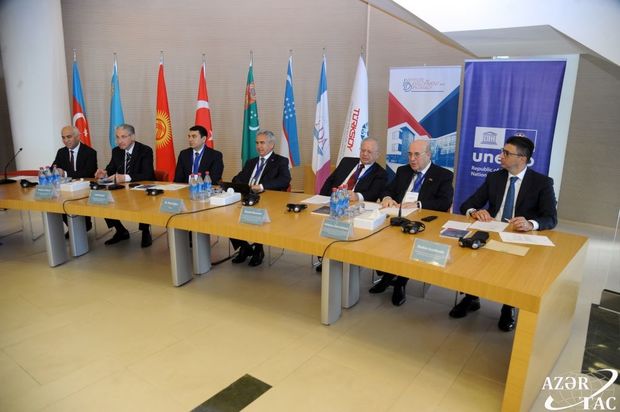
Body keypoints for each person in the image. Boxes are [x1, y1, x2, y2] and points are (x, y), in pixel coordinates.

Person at [452, 135, 557, 332]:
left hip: (519, 236)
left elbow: (551, 218)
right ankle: (471, 298)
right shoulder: (495, 178)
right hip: (492, 232)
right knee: (471, 257)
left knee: (514, 269)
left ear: (522, 159)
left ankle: (508, 307)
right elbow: (467, 204)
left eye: (506, 153)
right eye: (502, 151)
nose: (500, 156)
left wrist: (530, 223)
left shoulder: (542, 183)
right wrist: (475, 212)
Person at [371, 139, 454, 306]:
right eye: (409, 154)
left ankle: (400, 283)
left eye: (417, 155)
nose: (412, 159)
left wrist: (419, 204)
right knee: (380, 237)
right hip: (397, 217)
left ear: (428, 155)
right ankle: (387, 275)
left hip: (423, 223)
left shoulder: (443, 175)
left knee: (408, 243)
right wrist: (387, 197)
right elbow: (388, 189)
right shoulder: (403, 171)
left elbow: (445, 202)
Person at [316, 137, 387, 271]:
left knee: (343, 226)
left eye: (369, 152)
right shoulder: (347, 162)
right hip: (333, 202)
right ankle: (327, 256)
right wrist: (322, 198)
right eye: (363, 150)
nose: (365, 154)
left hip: (353, 208)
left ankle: (340, 258)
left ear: (377, 155)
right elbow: (330, 181)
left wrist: (357, 196)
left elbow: (374, 193)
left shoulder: (380, 173)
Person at [230, 129, 291, 266]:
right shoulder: (251, 162)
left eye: (262, 143)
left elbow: (284, 180)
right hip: (246, 197)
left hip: (267, 199)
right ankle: (244, 247)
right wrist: (239, 184)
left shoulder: (280, 161)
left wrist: (262, 186)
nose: (259, 146)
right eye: (257, 143)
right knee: (228, 215)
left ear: (271, 145)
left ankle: (258, 249)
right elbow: (238, 177)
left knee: (259, 214)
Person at [94, 124, 155, 248]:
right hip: (122, 189)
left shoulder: (145, 150)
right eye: (117, 137)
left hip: (141, 187)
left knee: (142, 200)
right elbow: (111, 168)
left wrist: (125, 177)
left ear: (132, 137)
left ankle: (145, 231)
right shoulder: (116, 151)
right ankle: (120, 230)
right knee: (103, 199)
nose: (119, 141)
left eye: (123, 137)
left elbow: (147, 174)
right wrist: (104, 173)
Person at [52, 125, 98, 237]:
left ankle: (84, 225)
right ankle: (73, 226)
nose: (66, 140)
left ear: (78, 137)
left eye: (69, 137)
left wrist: (65, 173)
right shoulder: (61, 152)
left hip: (85, 188)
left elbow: (88, 173)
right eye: (63, 137)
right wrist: (52, 170)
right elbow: (54, 167)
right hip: (67, 189)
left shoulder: (90, 152)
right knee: (57, 201)